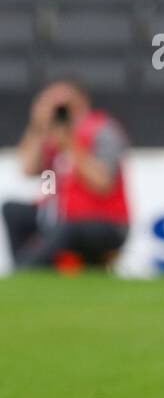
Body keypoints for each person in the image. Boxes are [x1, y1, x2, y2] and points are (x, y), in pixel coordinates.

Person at [4, 79, 130, 269]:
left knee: (68, 228)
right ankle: (26, 270)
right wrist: (38, 126)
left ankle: (25, 271)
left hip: (103, 221)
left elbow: (103, 182)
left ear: (82, 102)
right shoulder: (51, 137)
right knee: (13, 210)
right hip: (59, 217)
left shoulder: (102, 130)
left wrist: (70, 144)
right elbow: (28, 169)